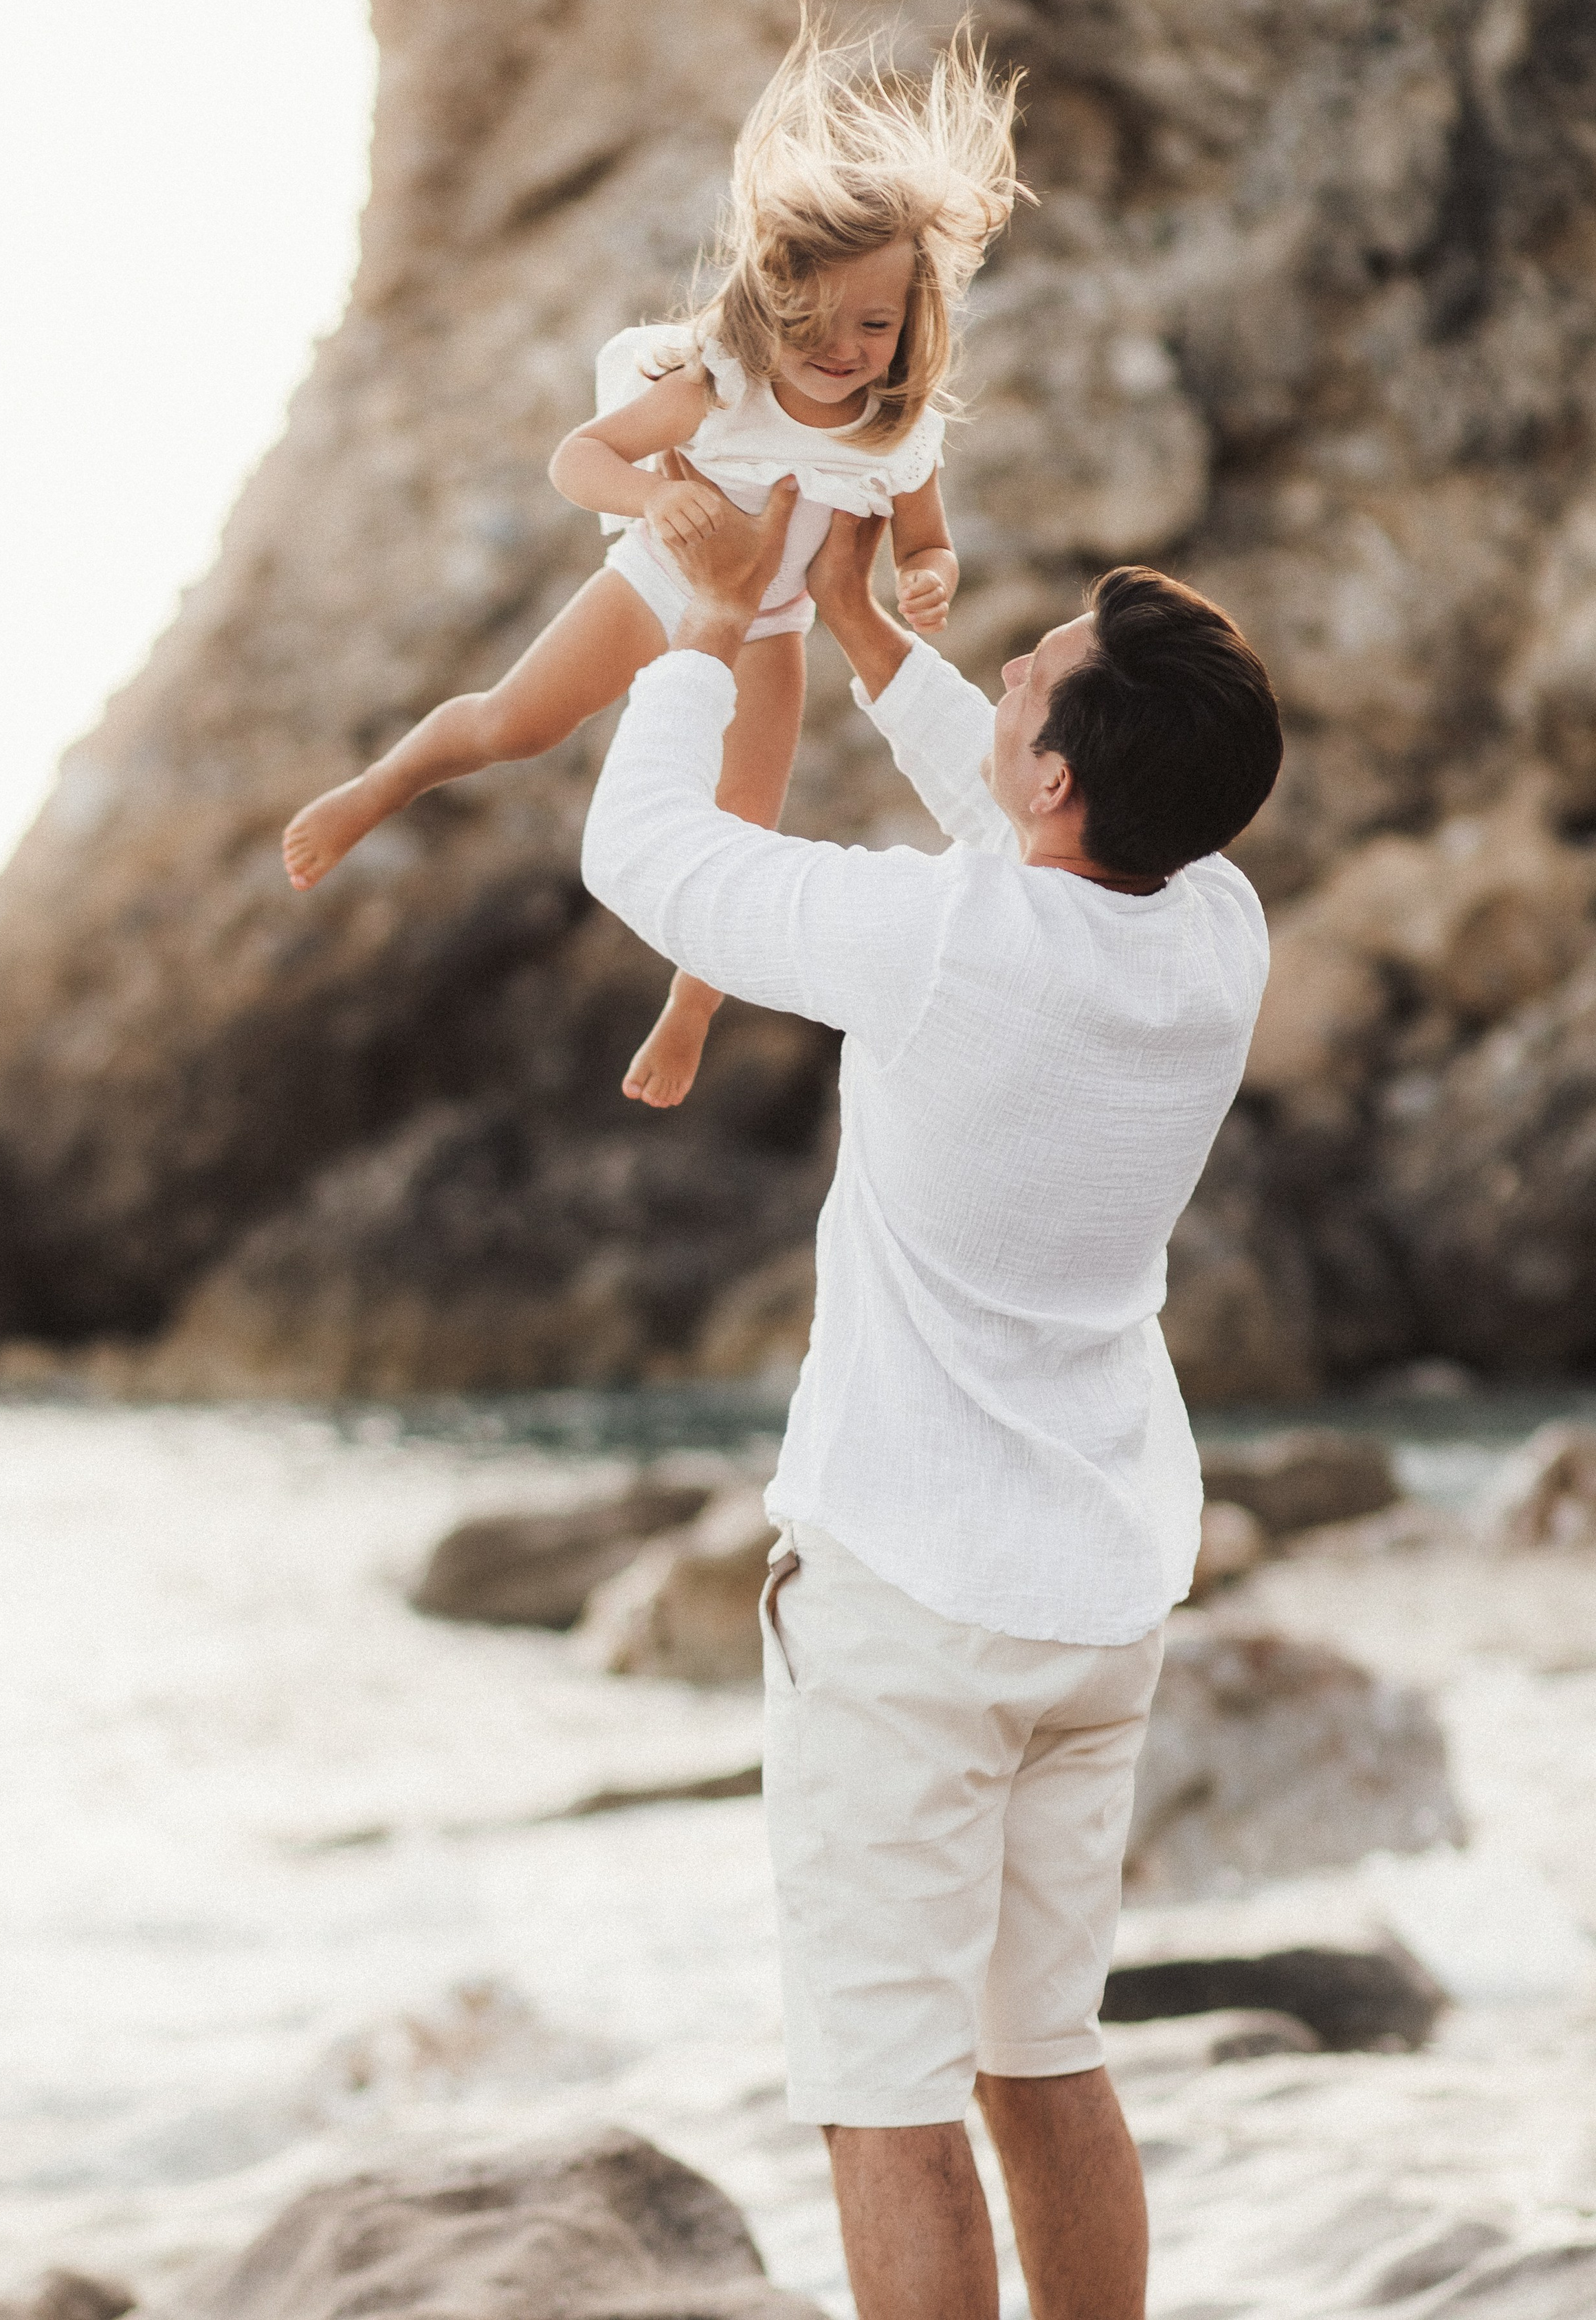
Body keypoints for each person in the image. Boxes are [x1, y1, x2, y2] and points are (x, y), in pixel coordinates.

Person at [581, 465, 1283, 2320]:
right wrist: (876, 636)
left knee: (884, 2099)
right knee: (1043, 2058)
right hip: (1099, 1596)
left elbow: (648, 859)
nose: (1015, 674)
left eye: (1031, 674)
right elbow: (1033, 815)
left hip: (909, 1604)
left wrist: (712, 633)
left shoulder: (942, 945)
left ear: (1057, 779)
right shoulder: (1216, 938)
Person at [281, 12, 1020, 1107]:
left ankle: (689, 1010)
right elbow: (578, 458)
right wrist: (655, 495)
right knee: (513, 724)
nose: (844, 346)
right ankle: (383, 783)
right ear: (774, 297)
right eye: (817, 316)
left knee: (739, 834)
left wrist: (927, 578)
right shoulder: (724, 379)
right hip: (656, 586)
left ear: (916, 326)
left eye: (876, 324)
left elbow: (925, 535)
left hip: (771, 632)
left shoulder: (897, 433)